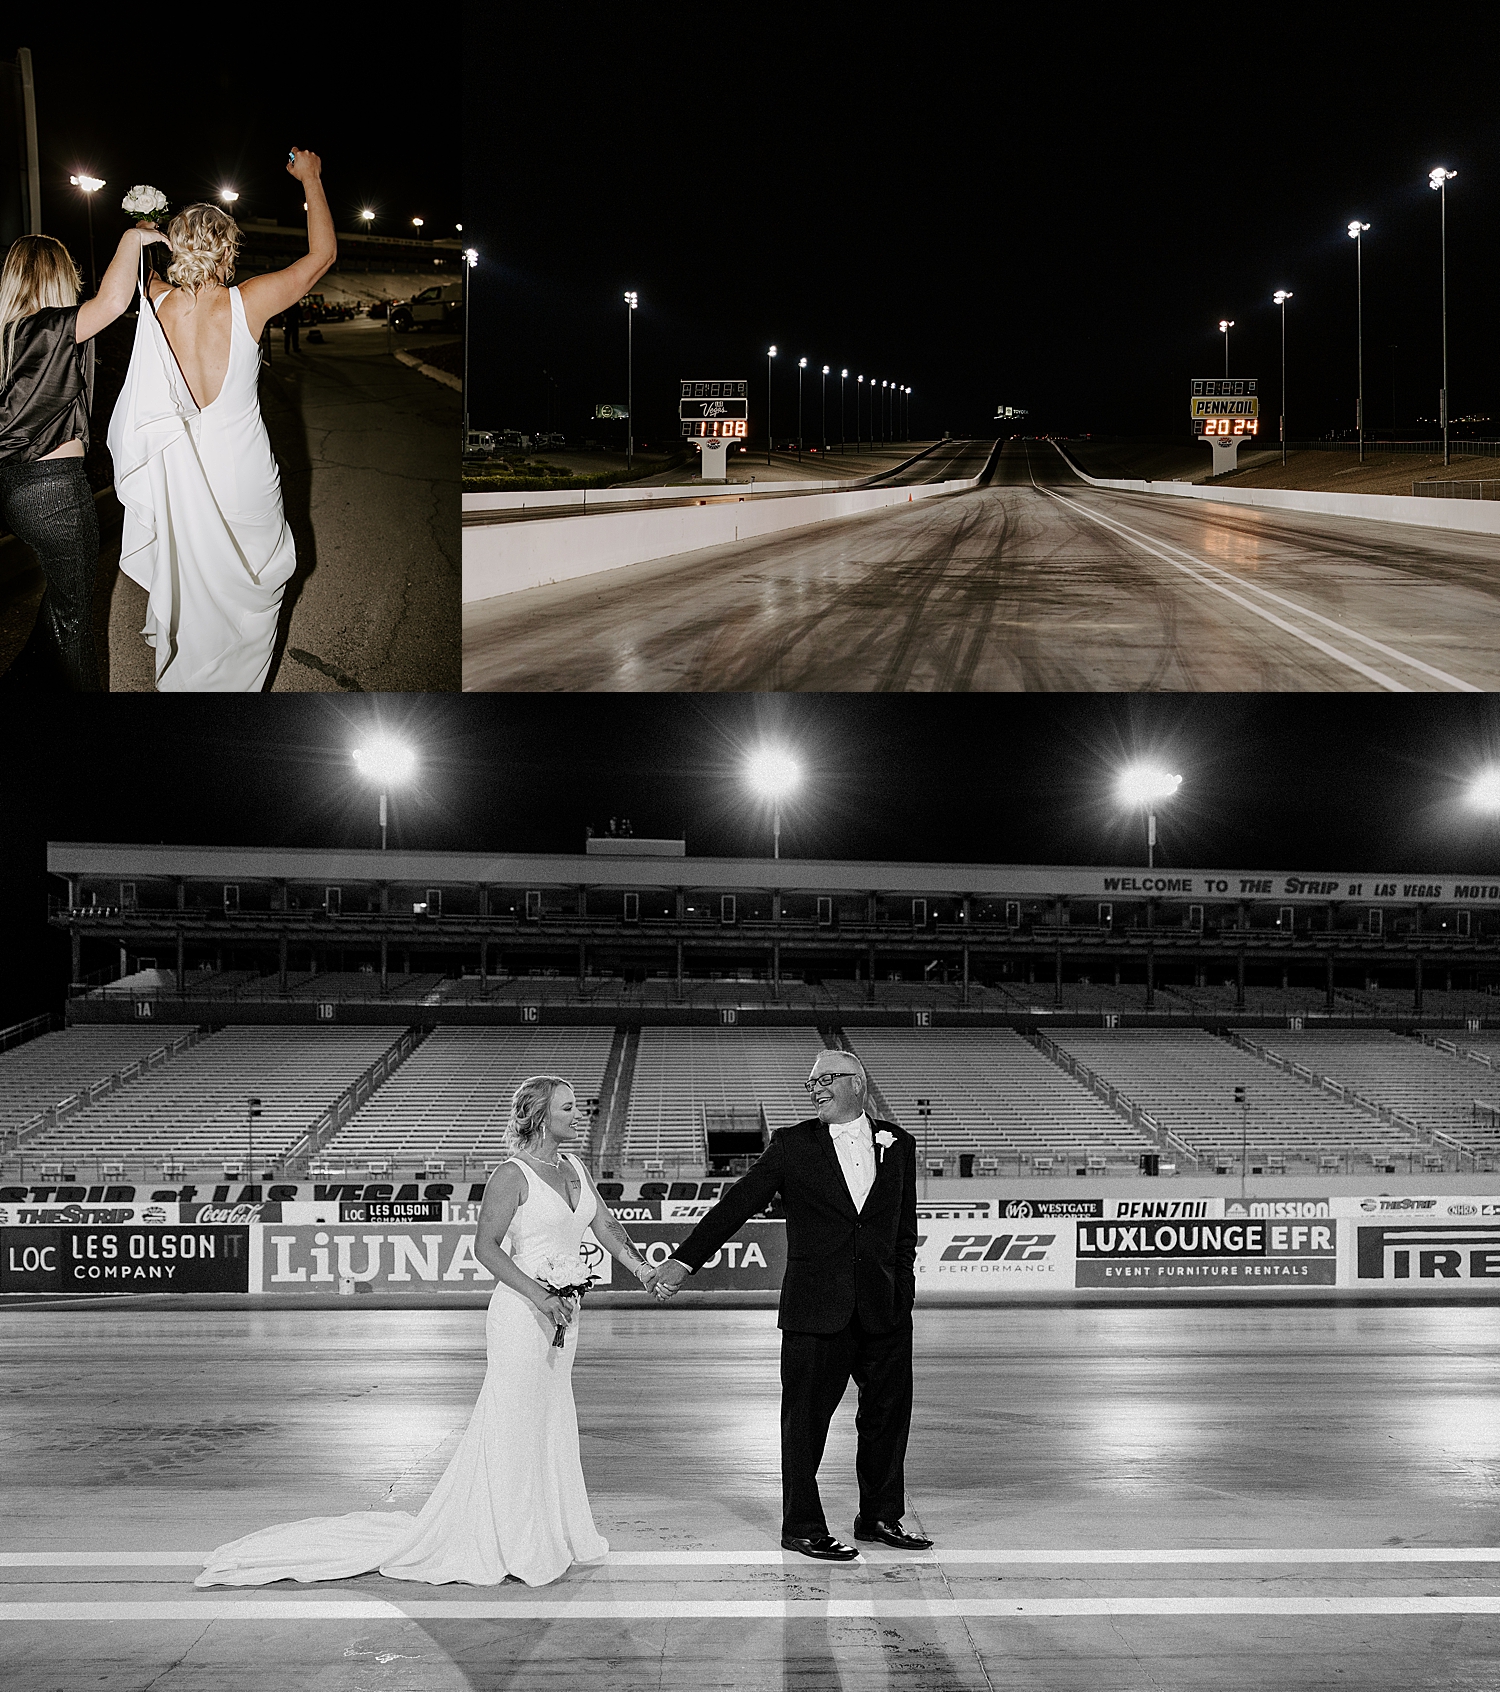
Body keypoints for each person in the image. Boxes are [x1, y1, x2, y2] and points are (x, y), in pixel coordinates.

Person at [196, 1074, 657, 1588]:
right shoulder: (512, 1175)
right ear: (538, 1116)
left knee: (553, 1421)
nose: (579, 1115)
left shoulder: (576, 1169)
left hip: (564, 1318)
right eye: (568, 1108)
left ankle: (552, 1531)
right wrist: (541, 1295)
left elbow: (607, 1227)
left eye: (578, 1107)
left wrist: (642, 1270)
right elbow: (487, 1248)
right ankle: (508, 1538)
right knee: (513, 1423)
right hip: (524, 1316)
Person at [652, 1047, 931, 1562]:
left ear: (857, 1083)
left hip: (885, 1309)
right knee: (803, 1423)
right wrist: (683, 1262)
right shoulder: (791, 1145)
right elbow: (736, 1203)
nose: (816, 1088)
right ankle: (802, 1525)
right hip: (814, 1310)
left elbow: (903, 1231)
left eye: (826, 1078)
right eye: (811, 1083)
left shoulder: (900, 1144)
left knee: (888, 1418)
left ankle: (881, 1517)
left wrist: (902, 1293)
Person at [107, 147, 336, 691]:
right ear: (229, 248)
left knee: (192, 580)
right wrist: (312, 179)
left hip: (182, 473)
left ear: (174, 249)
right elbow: (322, 255)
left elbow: (130, 278)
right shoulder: (249, 301)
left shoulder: (155, 299)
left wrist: (144, 229)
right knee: (256, 581)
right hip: (243, 470)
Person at [0, 225, 165, 689]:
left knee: (60, 606)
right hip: (56, 494)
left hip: (18, 490)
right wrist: (132, 236)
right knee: (74, 623)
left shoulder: (9, 336)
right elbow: (113, 304)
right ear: (54, 276)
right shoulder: (45, 329)